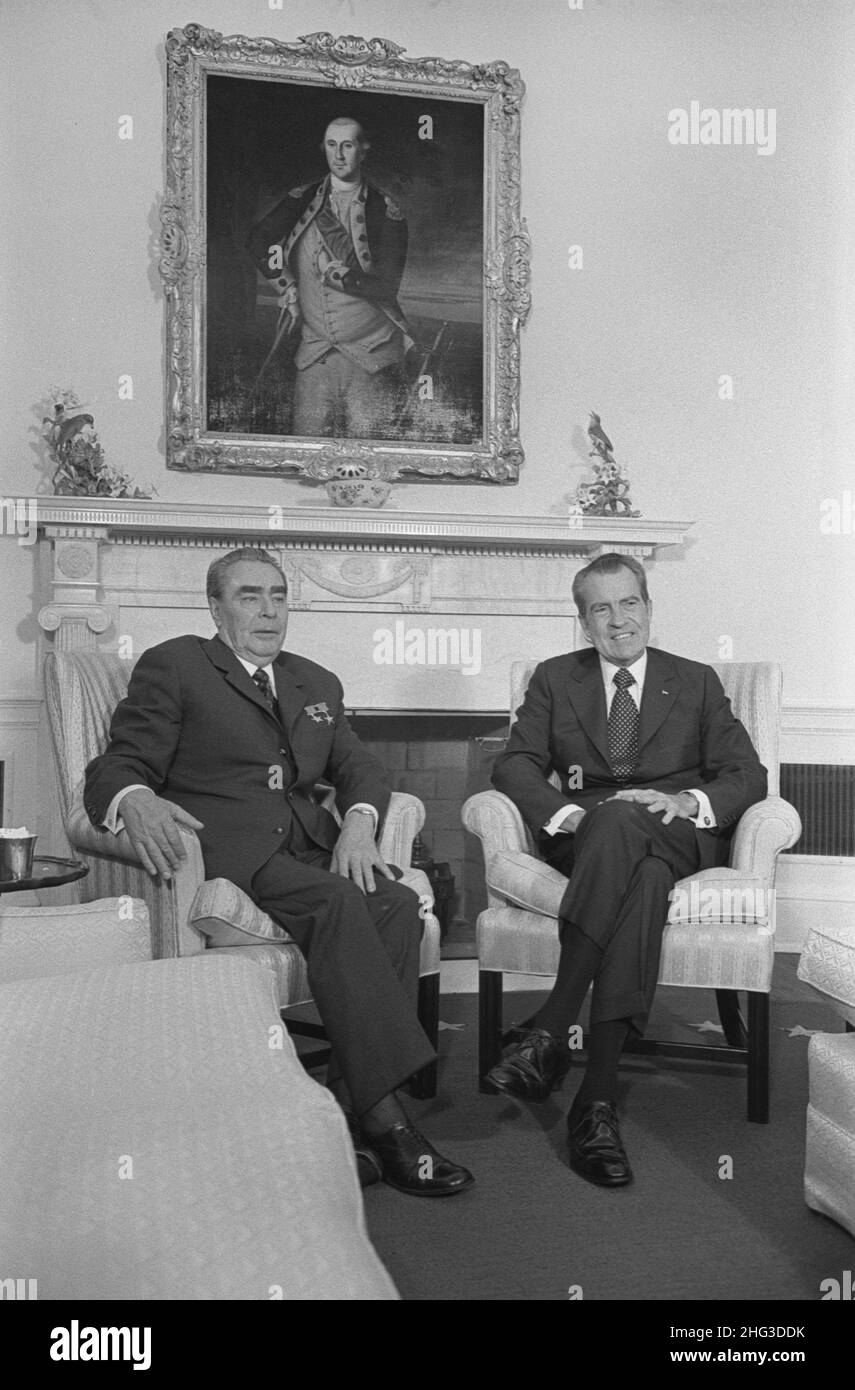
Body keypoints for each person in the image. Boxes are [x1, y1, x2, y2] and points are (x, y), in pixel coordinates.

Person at [83, 547, 473, 1199]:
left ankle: (347, 1107)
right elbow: (118, 762)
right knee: (337, 902)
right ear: (215, 607)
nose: (268, 610)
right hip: (231, 852)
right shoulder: (176, 665)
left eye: (278, 596)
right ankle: (387, 1120)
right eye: (248, 596)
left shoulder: (314, 682)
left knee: (397, 904)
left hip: (309, 842)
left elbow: (360, 768)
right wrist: (134, 799)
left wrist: (356, 821)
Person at [489, 553, 767, 1187]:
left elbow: (747, 775)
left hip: (675, 831)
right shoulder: (555, 678)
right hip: (591, 840)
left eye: (629, 604)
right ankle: (596, 1100)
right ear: (584, 622)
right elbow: (514, 766)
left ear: (649, 607)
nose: (619, 621)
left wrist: (686, 802)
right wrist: (568, 818)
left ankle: (551, 1027)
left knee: (626, 828)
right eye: (601, 610)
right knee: (637, 879)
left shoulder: (694, 681)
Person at [247, 116, 411, 438]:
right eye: (332, 145)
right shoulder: (303, 199)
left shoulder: (386, 211)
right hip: (313, 352)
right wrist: (287, 284)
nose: (339, 155)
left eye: (347, 146)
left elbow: (386, 286)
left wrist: (333, 273)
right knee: (307, 448)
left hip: (370, 355)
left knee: (367, 452)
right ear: (323, 148)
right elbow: (260, 242)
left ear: (363, 151)